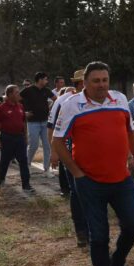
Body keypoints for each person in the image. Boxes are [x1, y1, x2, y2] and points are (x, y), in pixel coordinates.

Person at [52, 62, 134, 266]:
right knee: (99, 238)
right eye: (96, 81)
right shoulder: (71, 105)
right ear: (85, 82)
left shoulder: (118, 100)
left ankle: (117, 264)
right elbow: (57, 141)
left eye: (105, 79)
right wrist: (77, 174)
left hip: (121, 179)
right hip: (89, 183)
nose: (102, 85)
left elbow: (130, 134)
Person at [48, 69, 89, 247]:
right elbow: (51, 127)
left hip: (94, 156)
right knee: (77, 191)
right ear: (80, 84)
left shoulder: (98, 101)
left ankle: (93, 228)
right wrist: (54, 152)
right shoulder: (63, 100)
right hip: (71, 154)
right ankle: (81, 231)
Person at [0, 85, 34, 195]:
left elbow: (24, 122)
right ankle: (0, 181)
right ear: (9, 94)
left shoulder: (20, 106)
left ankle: (26, 185)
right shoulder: (1, 108)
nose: (18, 94)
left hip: (19, 138)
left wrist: (26, 136)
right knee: (5, 161)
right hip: (7, 138)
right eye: (16, 92)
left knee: (23, 161)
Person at [21, 72, 55, 174]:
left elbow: (56, 100)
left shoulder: (46, 90)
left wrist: (49, 109)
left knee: (47, 145)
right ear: (40, 80)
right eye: (45, 79)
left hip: (45, 122)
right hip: (32, 122)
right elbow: (17, 100)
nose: (47, 81)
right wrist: (24, 112)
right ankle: (27, 164)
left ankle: (46, 169)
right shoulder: (28, 90)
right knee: (34, 145)